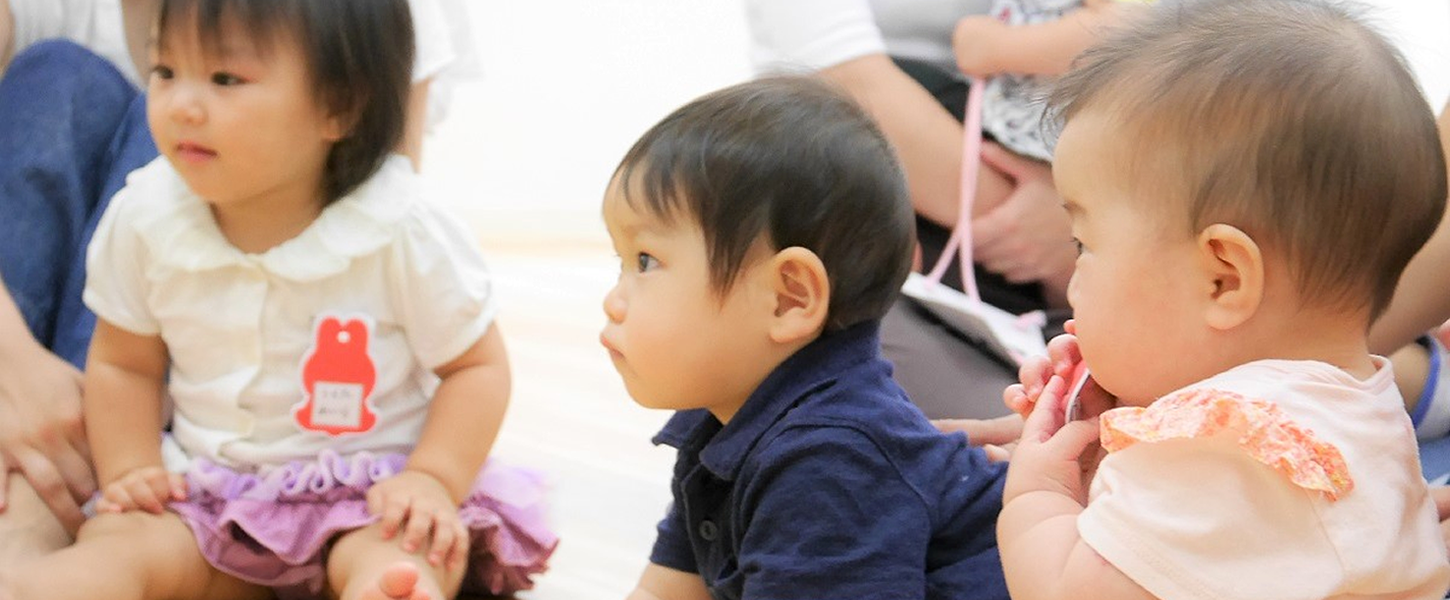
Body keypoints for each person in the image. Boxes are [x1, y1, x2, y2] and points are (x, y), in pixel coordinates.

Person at [0, 0, 555, 599]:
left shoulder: (398, 227)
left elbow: (475, 367)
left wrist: (432, 478)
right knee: (122, 545)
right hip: (209, 500)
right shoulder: (146, 218)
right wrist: (132, 468)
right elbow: (124, 363)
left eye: (224, 79)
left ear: (339, 105)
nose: (181, 104)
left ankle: (385, 586)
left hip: (367, 495)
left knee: (406, 545)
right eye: (165, 71)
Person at [997, 0, 1450, 597]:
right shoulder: (1354, 412)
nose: (1075, 277)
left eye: (1085, 244)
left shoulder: (1221, 449)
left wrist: (1038, 492)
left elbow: (1064, 591)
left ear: (1224, 279)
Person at [602, 77, 1008, 600]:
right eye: (622, 262)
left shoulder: (832, 461)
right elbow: (665, 592)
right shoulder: (718, 424)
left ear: (788, 298)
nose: (613, 300)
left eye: (646, 262)